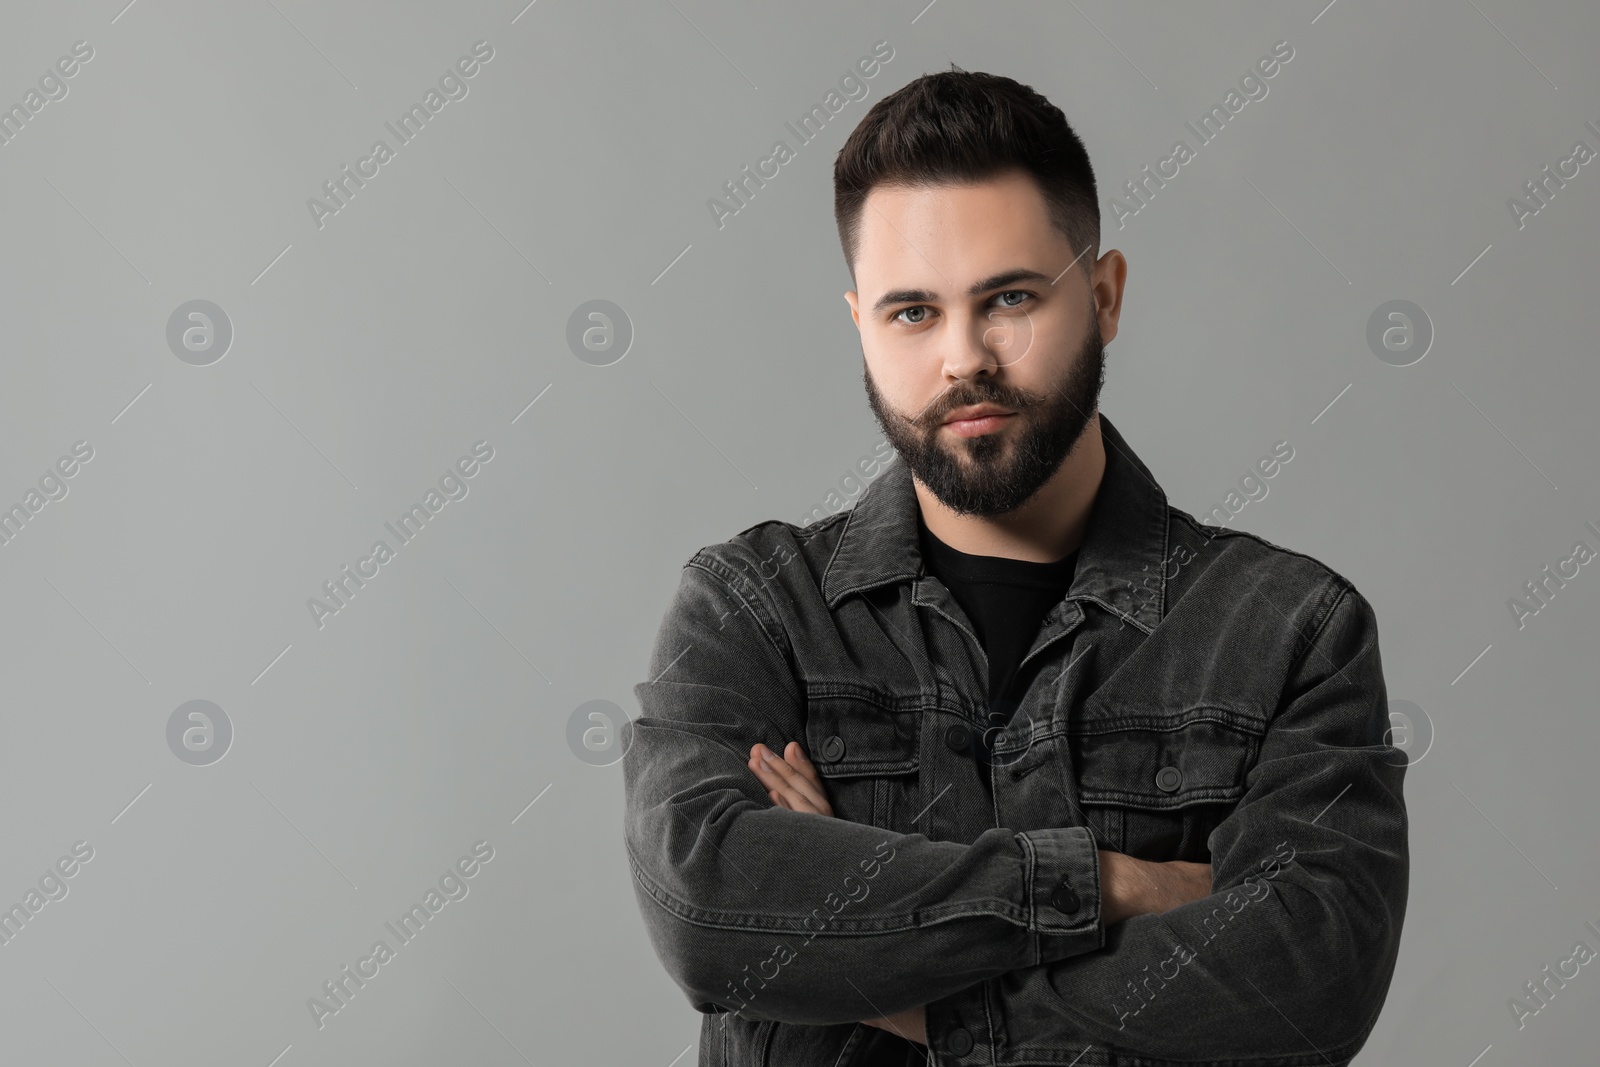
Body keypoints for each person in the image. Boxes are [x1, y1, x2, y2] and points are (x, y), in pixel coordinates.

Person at [622, 68, 1408, 1067]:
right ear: (860, 323)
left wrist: (878, 963)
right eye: (912, 312)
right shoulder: (754, 611)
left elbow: (1308, 984)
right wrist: (1111, 884)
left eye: (1008, 298)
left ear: (1105, 294)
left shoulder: (1290, 631)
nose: (964, 357)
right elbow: (708, 909)